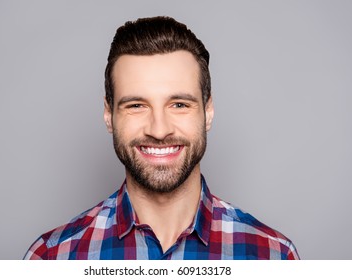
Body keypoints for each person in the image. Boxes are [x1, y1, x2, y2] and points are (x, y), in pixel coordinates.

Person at [24, 16, 299, 260]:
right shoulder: (52, 257)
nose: (159, 130)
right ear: (109, 115)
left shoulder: (273, 256)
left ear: (208, 112)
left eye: (179, 104)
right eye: (136, 105)